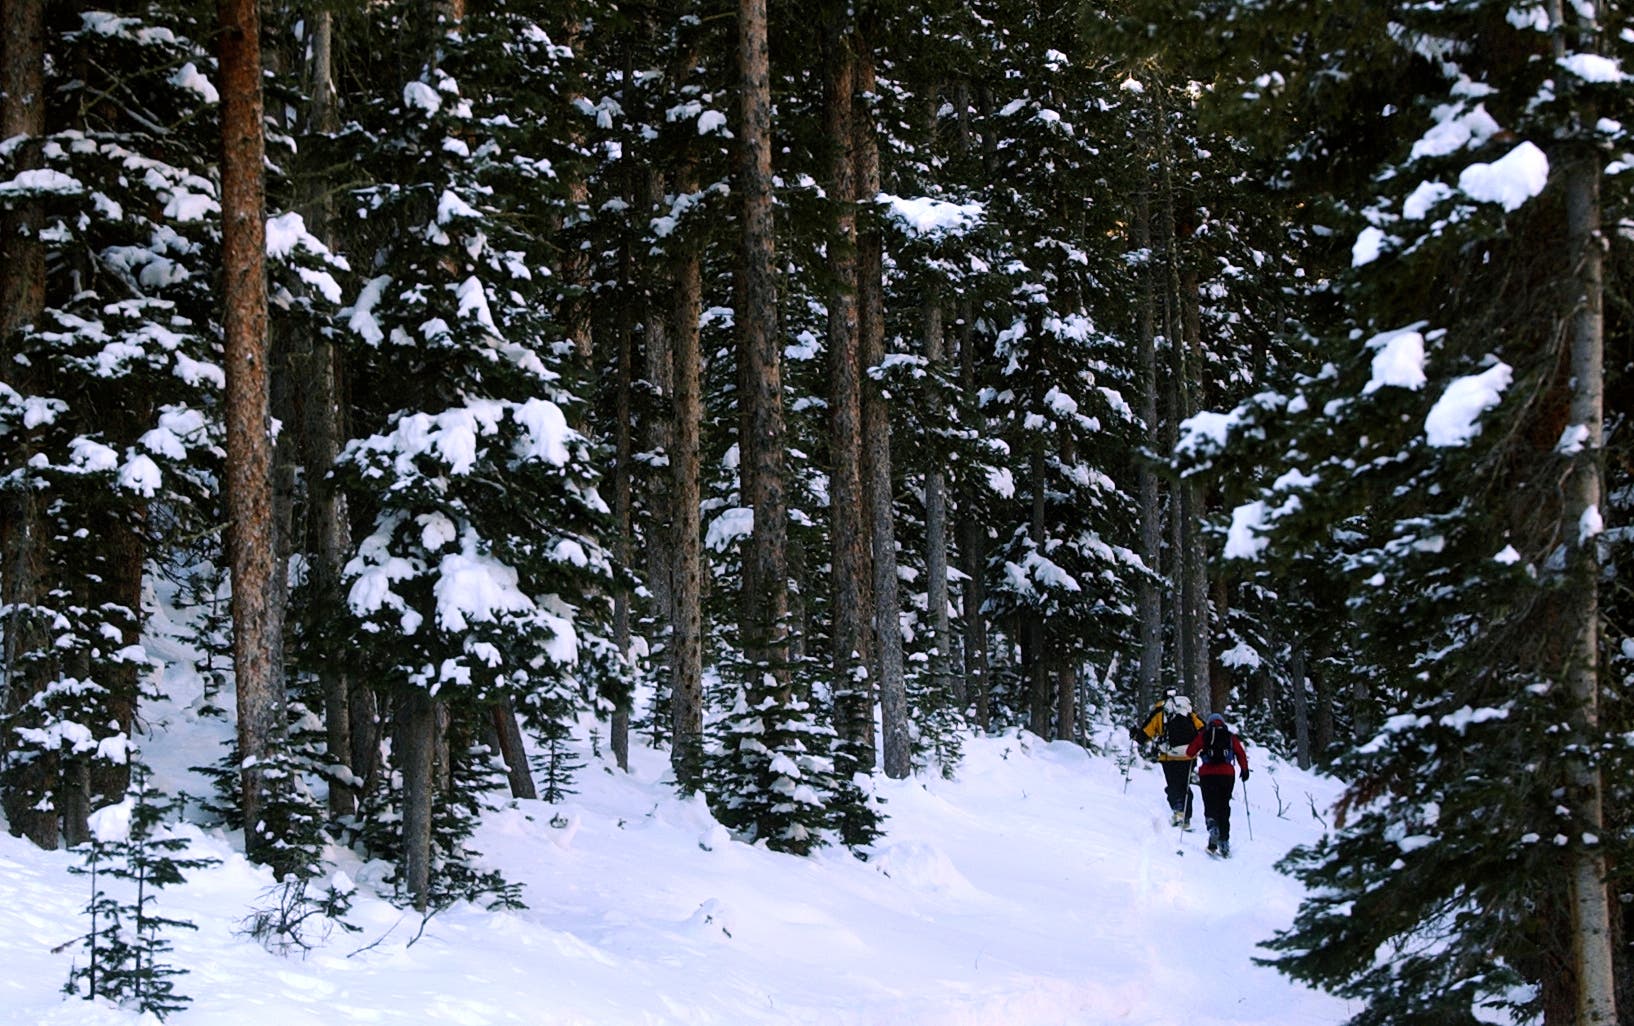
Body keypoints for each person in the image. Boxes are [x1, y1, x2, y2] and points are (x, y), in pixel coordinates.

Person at [1128, 691, 1204, 829]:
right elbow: (1203, 729)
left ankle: (1178, 811)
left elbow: (1145, 734)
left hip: (1169, 756)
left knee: (1173, 785)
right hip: (1189, 755)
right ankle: (1186, 818)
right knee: (1185, 785)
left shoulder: (1161, 713)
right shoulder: (1188, 712)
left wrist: (1135, 735)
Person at [1185, 711, 1250, 857]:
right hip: (1227, 775)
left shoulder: (1204, 735)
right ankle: (1224, 842)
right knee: (1224, 806)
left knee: (1210, 804)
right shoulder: (1230, 737)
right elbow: (1241, 753)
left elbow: (1190, 752)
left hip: (1208, 775)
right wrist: (1244, 770)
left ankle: (1212, 827)